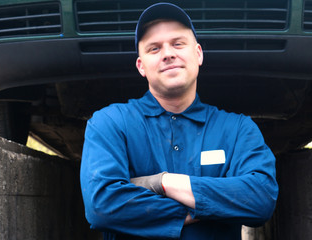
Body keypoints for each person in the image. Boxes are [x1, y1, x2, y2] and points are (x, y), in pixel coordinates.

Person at [80, 3, 278, 239]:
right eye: (154, 49)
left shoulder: (237, 129)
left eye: (178, 44)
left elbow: (260, 198)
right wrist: (213, 206)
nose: (168, 54)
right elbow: (102, 207)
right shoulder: (110, 123)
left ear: (198, 54)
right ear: (141, 66)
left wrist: (162, 183)